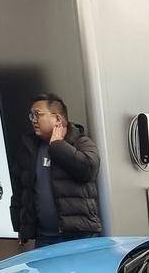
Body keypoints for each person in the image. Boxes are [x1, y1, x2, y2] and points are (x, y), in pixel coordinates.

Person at [10, 93, 101, 247]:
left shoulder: (80, 142)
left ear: (58, 119)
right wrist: (21, 227)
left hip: (80, 236)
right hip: (44, 238)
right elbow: (20, 190)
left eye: (38, 114)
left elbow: (89, 170)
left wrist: (58, 146)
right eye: (31, 116)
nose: (33, 120)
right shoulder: (29, 149)